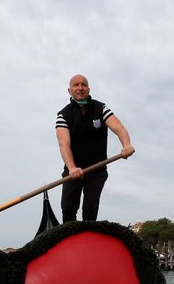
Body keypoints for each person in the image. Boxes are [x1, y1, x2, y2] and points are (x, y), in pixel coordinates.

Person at [55, 74, 134, 222]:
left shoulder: (101, 108)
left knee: (90, 211)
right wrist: (72, 168)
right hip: (73, 170)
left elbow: (119, 127)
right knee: (68, 208)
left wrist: (126, 145)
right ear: (69, 90)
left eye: (83, 85)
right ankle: (70, 241)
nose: (80, 88)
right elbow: (63, 144)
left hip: (97, 169)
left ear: (88, 89)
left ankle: (89, 240)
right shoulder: (63, 115)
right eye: (76, 85)